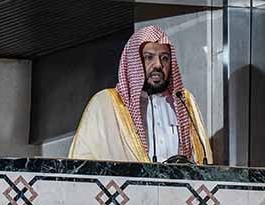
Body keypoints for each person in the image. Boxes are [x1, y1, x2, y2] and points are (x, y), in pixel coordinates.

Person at [69, 25, 213, 165]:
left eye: (164, 58)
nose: (158, 65)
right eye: (149, 57)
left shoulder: (184, 101)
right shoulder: (105, 104)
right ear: (134, 61)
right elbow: (81, 163)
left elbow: (202, 159)